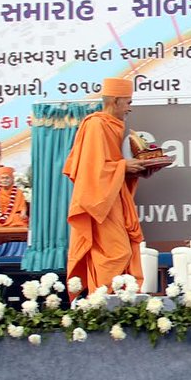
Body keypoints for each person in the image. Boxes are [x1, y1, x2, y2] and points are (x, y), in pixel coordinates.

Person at [64, 77, 156, 297]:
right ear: (115, 101)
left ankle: (117, 302)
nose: (129, 109)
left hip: (113, 198)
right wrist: (124, 166)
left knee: (122, 251)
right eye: (128, 102)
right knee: (117, 252)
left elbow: (111, 165)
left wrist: (138, 168)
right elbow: (93, 170)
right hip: (99, 204)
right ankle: (103, 304)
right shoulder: (96, 124)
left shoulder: (112, 126)